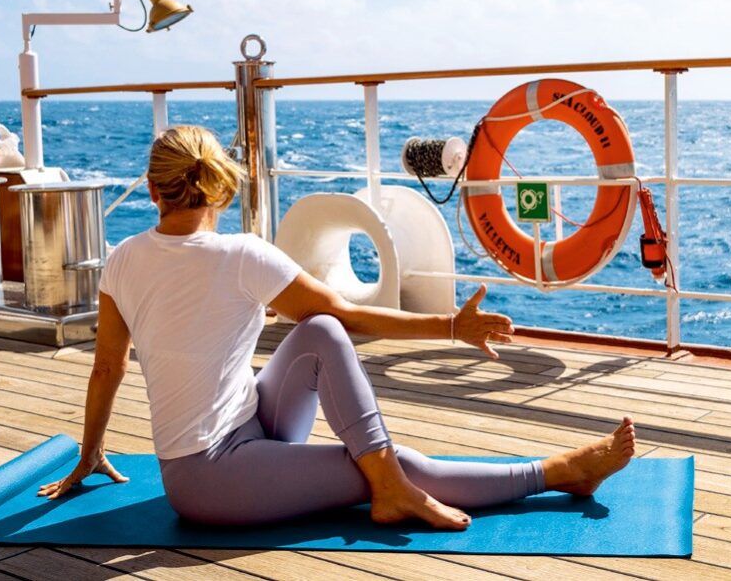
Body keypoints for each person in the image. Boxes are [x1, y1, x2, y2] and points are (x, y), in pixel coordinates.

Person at [38, 125, 636, 530]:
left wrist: (90, 453)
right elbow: (350, 311)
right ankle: (558, 473)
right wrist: (452, 326)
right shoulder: (243, 254)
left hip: (250, 428)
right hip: (210, 479)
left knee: (320, 332)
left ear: (151, 190)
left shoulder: (122, 259)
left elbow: (108, 367)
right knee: (387, 460)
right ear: (218, 187)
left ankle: (386, 478)